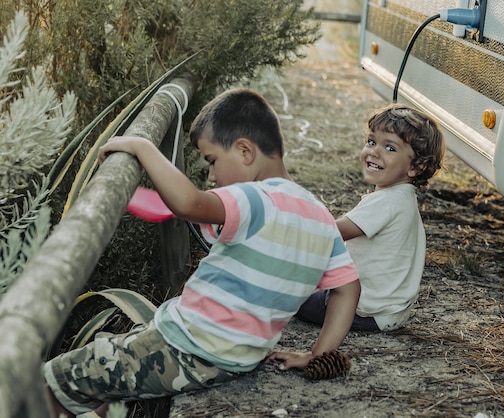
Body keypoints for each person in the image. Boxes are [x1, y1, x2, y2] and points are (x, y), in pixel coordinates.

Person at [44, 88, 360, 417]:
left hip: (186, 348)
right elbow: (348, 289)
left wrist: (143, 148)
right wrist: (319, 354)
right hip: (236, 358)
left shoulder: (254, 197)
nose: (211, 176)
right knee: (111, 398)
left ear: (245, 151)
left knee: (49, 383)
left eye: (212, 161)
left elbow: (189, 203)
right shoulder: (321, 216)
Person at [296, 103, 444, 332]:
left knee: (292, 289)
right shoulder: (403, 198)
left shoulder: (387, 201)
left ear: (416, 166)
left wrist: (293, 222)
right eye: (372, 141)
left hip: (363, 310)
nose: (374, 151)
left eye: (390, 148)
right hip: (389, 311)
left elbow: (331, 233)